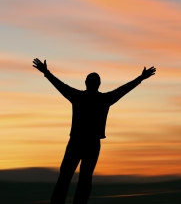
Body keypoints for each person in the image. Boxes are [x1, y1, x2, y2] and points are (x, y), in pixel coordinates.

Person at [32, 58, 156, 204]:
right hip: (88, 143)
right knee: (81, 178)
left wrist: (46, 72)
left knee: (69, 177)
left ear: (87, 83)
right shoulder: (102, 99)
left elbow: (61, 86)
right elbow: (123, 90)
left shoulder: (81, 97)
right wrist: (141, 78)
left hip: (78, 142)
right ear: (98, 84)